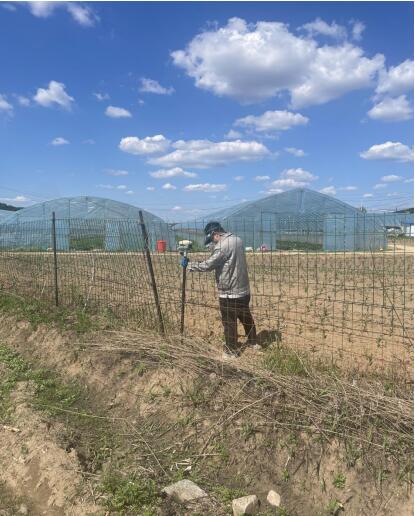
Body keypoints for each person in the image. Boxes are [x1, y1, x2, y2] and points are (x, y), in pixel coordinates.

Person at [182, 221, 257, 358]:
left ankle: (231, 352)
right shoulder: (238, 240)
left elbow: (208, 265)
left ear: (215, 234)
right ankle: (253, 342)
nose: (213, 242)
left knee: (229, 322)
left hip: (229, 292)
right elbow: (223, 256)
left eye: (212, 239)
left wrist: (189, 265)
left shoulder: (222, 246)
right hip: (244, 290)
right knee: (245, 316)